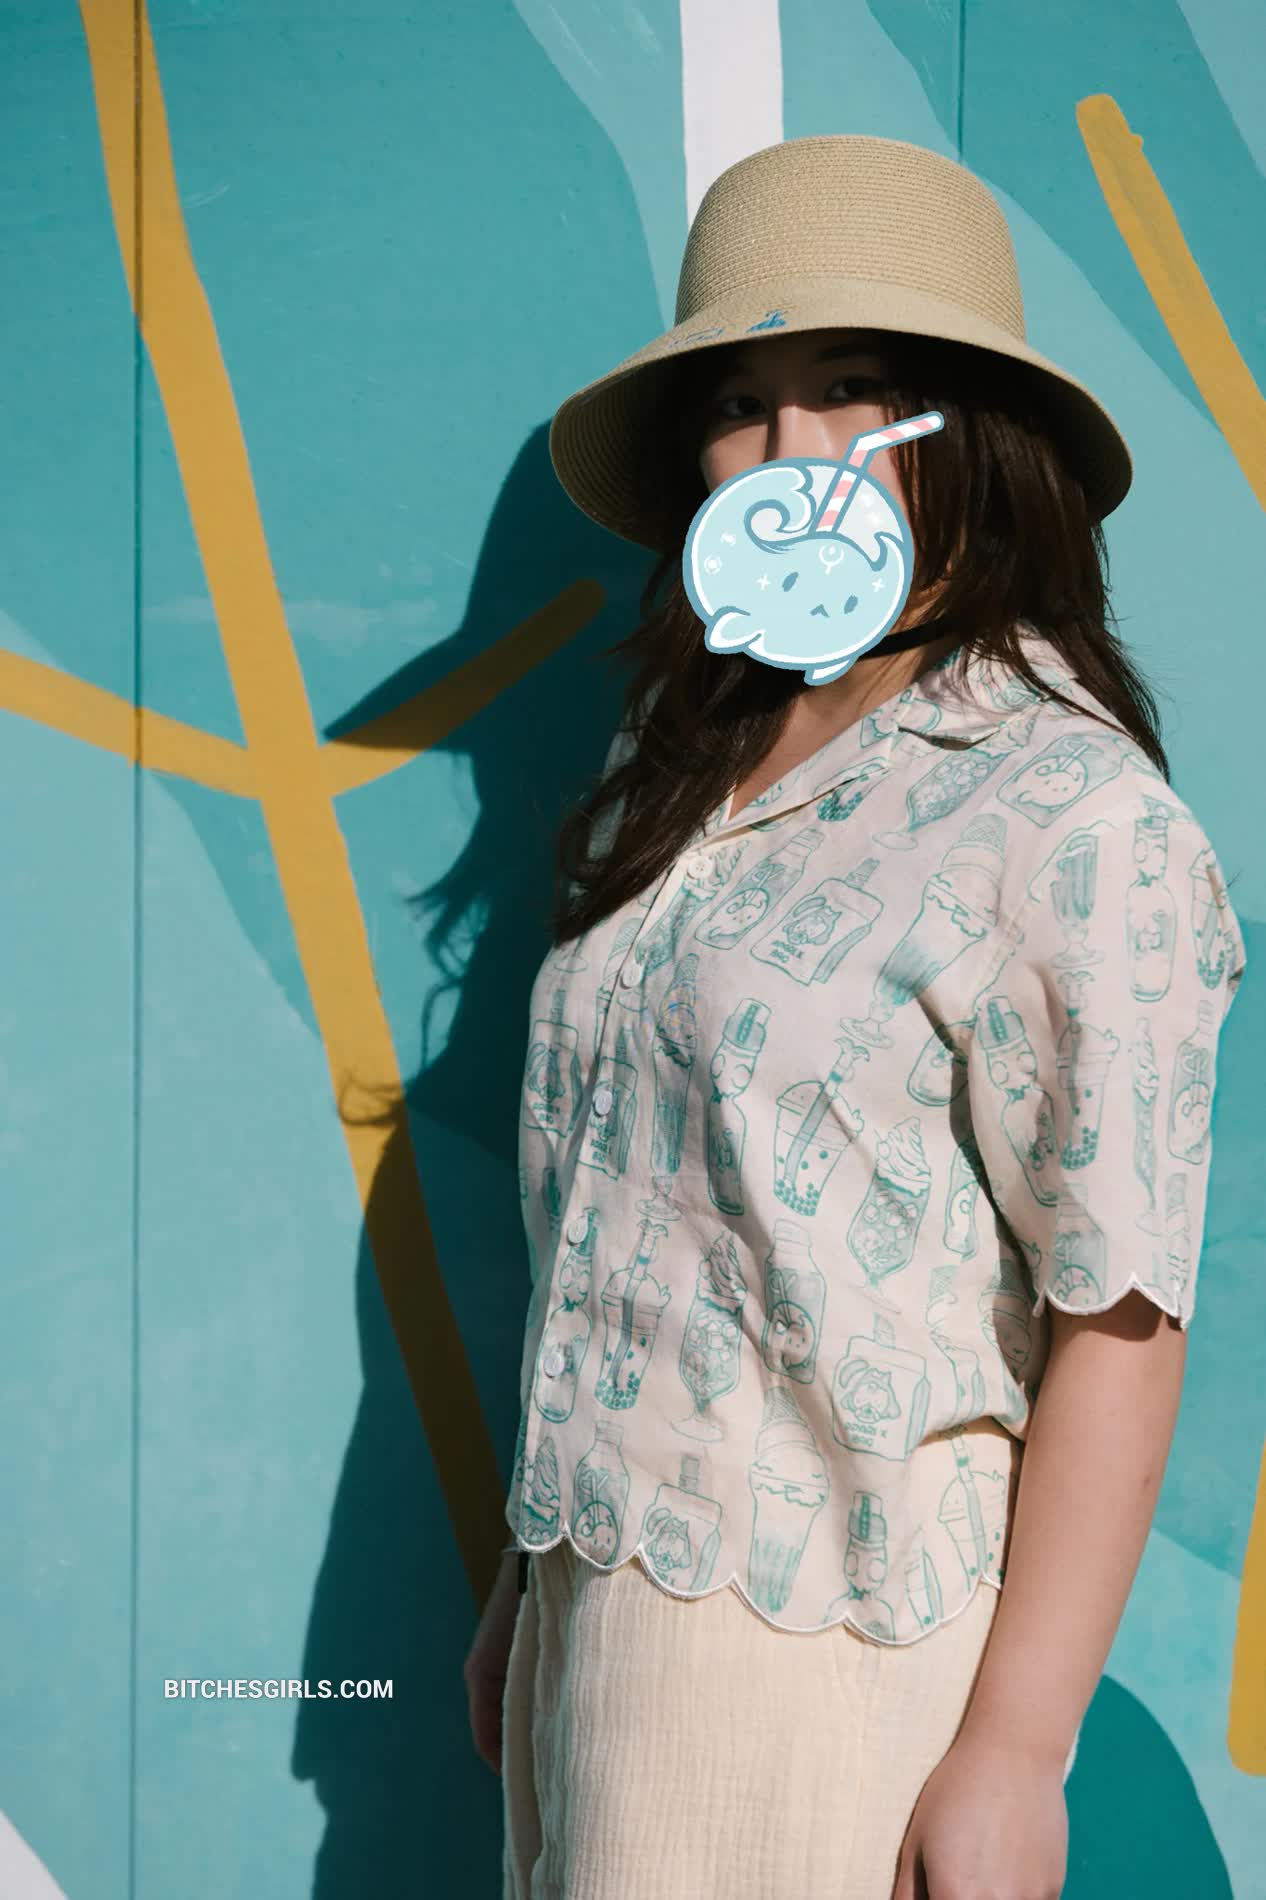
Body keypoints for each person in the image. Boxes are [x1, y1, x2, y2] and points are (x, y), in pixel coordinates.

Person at [463, 134, 1247, 1899]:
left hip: (821, 1649)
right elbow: (646, 1218)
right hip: (602, 1613)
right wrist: (537, 1570)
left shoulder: (1070, 813)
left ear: (978, 433)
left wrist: (1015, 1753)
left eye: (855, 389)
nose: (790, 451)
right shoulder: (682, 767)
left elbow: (1118, 1313)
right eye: (740, 405)